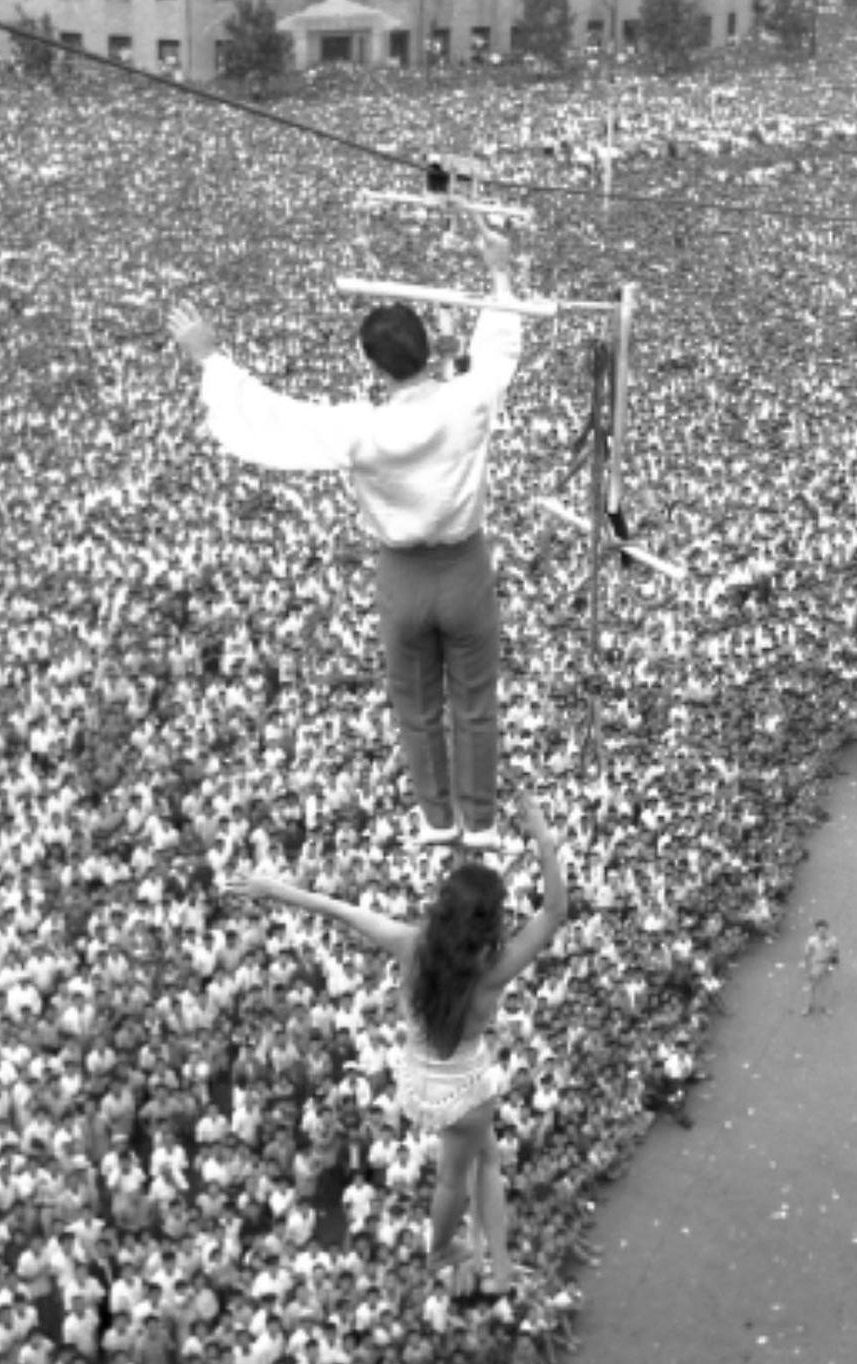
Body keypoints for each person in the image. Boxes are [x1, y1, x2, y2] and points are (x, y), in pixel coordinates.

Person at [167, 212, 526, 850]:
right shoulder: (468, 401)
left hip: (404, 575)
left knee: (416, 705)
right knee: (475, 701)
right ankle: (482, 823)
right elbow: (498, 348)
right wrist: (498, 271)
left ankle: (437, 820)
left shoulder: (358, 428)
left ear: (375, 365)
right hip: (465, 565)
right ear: (430, 349)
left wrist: (211, 359)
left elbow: (272, 419)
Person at [224, 787, 566, 1295]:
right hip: (465, 1089)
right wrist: (541, 837)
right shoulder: (495, 970)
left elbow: (339, 909)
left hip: (418, 1081)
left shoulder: (411, 946)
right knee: (462, 1173)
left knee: (481, 1161)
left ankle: (497, 1266)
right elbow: (555, 913)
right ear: (490, 926)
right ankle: (444, 1250)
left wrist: (274, 890)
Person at [802, 920, 840, 1016]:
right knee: (811, 987)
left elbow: (836, 953)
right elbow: (807, 955)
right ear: (816, 931)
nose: (822, 933)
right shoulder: (812, 941)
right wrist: (807, 969)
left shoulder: (833, 940)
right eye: (820, 931)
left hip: (827, 965)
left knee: (825, 987)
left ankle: (825, 1007)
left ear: (827, 930)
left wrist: (835, 963)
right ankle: (807, 1006)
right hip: (816, 965)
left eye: (824, 930)